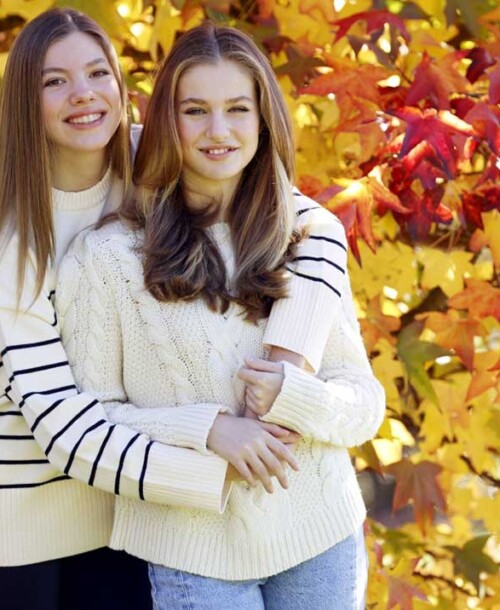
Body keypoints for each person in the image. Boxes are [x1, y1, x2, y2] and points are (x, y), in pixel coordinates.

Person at [57, 22, 386, 610]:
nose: (218, 131)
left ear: (263, 119)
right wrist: (210, 429)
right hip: (190, 548)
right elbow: (92, 422)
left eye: (238, 108)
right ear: (166, 122)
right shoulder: (107, 259)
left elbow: (363, 405)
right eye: (195, 110)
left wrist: (296, 396)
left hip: (319, 533)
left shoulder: (306, 239)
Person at [0, 9, 258, 610]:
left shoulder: (159, 166)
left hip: (135, 518)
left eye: (97, 72)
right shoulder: (13, 236)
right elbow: (58, 419)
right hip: (26, 531)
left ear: (122, 86)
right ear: (23, 101)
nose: (82, 94)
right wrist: (214, 468)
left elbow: (297, 216)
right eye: (53, 81)